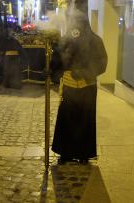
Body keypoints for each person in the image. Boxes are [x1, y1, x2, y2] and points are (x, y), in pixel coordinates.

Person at [51, 9, 107, 164]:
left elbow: (102, 63)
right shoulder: (66, 40)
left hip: (87, 86)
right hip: (69, 86)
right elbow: (57, 60)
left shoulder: (95, 41)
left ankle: (83, 153)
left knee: (85, 120)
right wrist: (51, 69)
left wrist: (83, 72)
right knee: (67, 120)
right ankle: (66, 153)